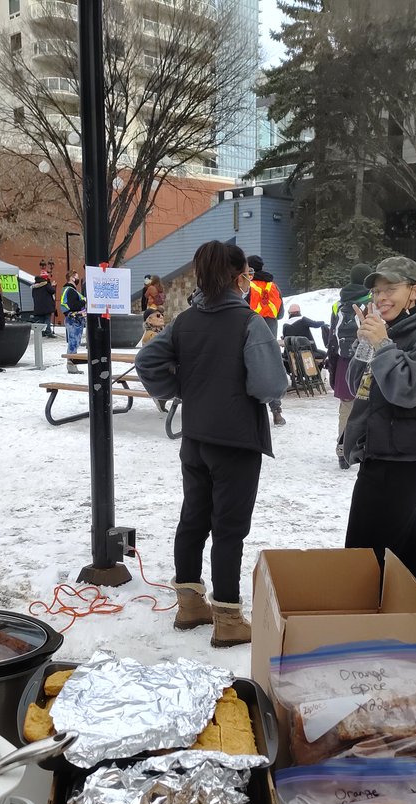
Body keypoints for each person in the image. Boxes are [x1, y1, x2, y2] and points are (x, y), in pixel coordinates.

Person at [135, 240, 288, 647]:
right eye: (249, 275)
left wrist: (183, 389)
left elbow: (146, 361)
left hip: (196, 439)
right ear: (240, 278)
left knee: (193, 519)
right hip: (236, 441)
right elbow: (270, 384)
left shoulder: (185, 321)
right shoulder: (250, 323)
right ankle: (228, 619)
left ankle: (189, 606)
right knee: (229, 530)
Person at [342, 256, 416, 600]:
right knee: (409, 547)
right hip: (383, 454)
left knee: (363, 554)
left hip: (401, 462)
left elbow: (409, 391)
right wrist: (366, 345)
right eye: (376, 290)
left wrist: (383, 345)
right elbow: (355, 387)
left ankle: (367, 628)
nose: (381, 297)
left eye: (391, 288)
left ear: (414, 292)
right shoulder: (394, 331)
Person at [327, 263, 371, 470]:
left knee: (346, 406)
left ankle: (342, 450)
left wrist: (332, 366)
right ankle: (367, 449)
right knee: (370, 406)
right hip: (369, 359)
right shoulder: (373, 302)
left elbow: (331, 339)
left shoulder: (338, 304)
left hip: (344, 361)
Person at [246, 254, 286, 426]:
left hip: (251, 333)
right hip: (270, 335)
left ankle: (250, 412)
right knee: (270, 371)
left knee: (249, 370)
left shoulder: (247, 286)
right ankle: (277, 412)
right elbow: (281, 313)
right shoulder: (273, 286)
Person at [61, 272, 87, 372]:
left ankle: (72, 365)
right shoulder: (71, 291)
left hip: (72, 319)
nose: (77, 278)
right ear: (71, 278)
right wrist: (84, 301)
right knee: (73, 343)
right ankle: (71, 365)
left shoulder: (67, 290)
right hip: (74, 319)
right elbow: (74, 305)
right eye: (76, 276)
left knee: (73, 343)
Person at [31, 260, 57, 338]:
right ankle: (48, 331)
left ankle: (41, 332)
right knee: (47, 319)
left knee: (41, 320)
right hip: (46, 306)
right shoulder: (46, 284)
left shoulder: (34, 286)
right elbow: (52, 291)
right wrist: (53, 286)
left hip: (38, 306)